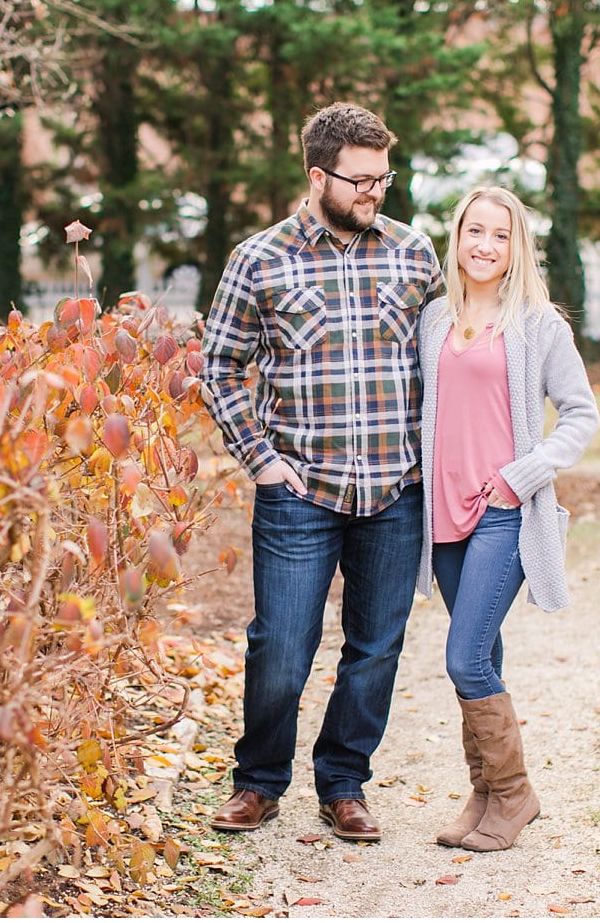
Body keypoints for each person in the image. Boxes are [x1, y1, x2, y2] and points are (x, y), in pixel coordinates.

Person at [200, 102, 443, 841]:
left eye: (383, 177)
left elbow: (448, 361)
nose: (375, 192)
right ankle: (258, 781)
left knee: (375, 647)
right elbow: (218, 366)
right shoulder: (258, 259)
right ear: (317, 175)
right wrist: (262, 462)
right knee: (280, 646)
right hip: (300, 489)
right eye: (360, 179)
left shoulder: (413, 253)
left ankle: (344, 784)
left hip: (396, 490)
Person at [416, 185, 599, 852]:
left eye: (499, 234)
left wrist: (518, 479)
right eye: (474, 231)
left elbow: (581, 415)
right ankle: (485, 793)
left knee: (463, 657)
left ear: (515, 245)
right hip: (442, 517)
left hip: (503, 513)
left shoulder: (538, 324)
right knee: (482, 652)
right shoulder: (433, 318)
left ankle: (515, 793)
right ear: (457, 237)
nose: (484, 245)